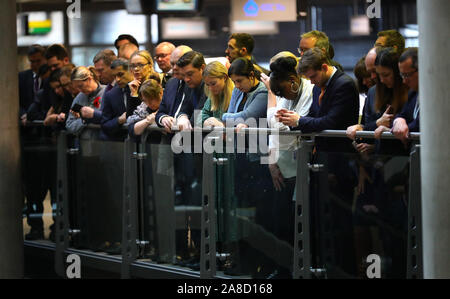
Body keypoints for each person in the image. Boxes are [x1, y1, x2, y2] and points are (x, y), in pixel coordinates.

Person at [261, 52, 315, 278]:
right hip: (280, 166)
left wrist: (281, 121)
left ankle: (303, 270)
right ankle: (283, 269)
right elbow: (273, 125)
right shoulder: (284, 89)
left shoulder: (310, 91)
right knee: (279, 224)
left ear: (292, 81)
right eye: (277, 93)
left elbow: (291, 127)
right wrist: (270, 161)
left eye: (281, 92)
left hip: (303, 168)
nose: (281, 95)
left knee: (301, 225)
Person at [290, 47, 359, 150]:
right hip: (321, 150)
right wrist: (291, 119)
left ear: (324, 67)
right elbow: (314, 115)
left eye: (313, 77)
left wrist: (299, 121)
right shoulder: (317, 87)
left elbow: (330, 122)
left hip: (341, 152)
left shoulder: (344, 84)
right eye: (309, 78)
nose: (311, 82)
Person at [221, 57, 268, 129]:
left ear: (251, 75)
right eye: (234, 82)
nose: (237, 86)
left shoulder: (264, 92)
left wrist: (223, 116)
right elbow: (230, 115)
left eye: (239, 81)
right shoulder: (237, 90)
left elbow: (246, 116)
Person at [156, 45, 193, 133]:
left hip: (191, 138)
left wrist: (182, 118)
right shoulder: (170, 83)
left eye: (179, 64)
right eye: (172, 64)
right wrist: (163, 119)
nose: (174, 68)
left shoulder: (196, 83)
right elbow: (160, 112)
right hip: (169, 138)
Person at [101, 58, 135, 141]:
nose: (117, 79)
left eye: (120, 74)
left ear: (131, 71)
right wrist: (119, 120)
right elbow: (105, 125)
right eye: (114, 76)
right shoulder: (111, 95)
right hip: (121, 144)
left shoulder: (144, 88)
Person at [65, 66, 106, 136]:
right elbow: (69, 125)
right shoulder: (79, 98)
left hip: (103, 141)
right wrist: (83, 120)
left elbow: (110, 118)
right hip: (84, 142)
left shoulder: (106, 92)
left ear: (90, 79)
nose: (79, 90)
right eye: (76, 87)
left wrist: (92, 116)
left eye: (81, 86)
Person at [392, 47, 420, 144]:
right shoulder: (413, 93)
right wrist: (399, 121)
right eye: (402, 75)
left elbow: (420, 124)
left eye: (407, 75)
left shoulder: (438, 94)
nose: (404, 81)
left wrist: (392, 129)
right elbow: (402, 114)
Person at [175, 51, 208, 129]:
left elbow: (198, 117)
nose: (186, 79)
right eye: (183, 75)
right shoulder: (189, 84)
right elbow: (184, 109)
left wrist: (186, 121)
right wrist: (182, 117)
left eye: (190, 74)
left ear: (202, 68)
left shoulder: (210, 85)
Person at [201, 61, 234, 127]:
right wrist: (207, 120)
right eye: (207, 85)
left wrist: (221, 124)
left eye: (213, 84)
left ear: (224, 77)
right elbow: (203, 114)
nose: (210, 88)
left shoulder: (236, 94)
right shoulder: (213, 95)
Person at [354, 56, 376, 122]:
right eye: (361, 79)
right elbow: (365, 124)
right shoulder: (369, 97)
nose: (364, 82)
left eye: (367, 77)